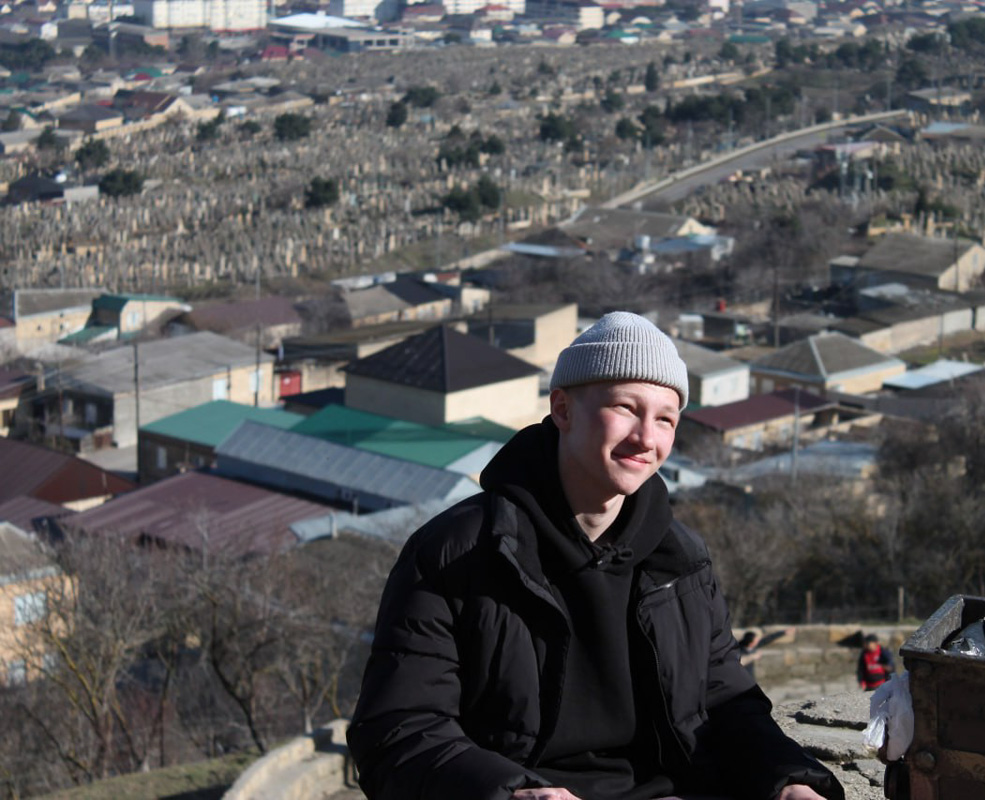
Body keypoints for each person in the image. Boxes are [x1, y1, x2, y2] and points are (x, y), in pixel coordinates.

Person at [348, 312, 844, 800]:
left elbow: (724, 702)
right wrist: (513, 793)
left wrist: (790, 779)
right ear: (562, 409)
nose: (646, 438)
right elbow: (398, 732)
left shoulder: (681, 560)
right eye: (626, 408)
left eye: (665, 419)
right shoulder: (456, 556)